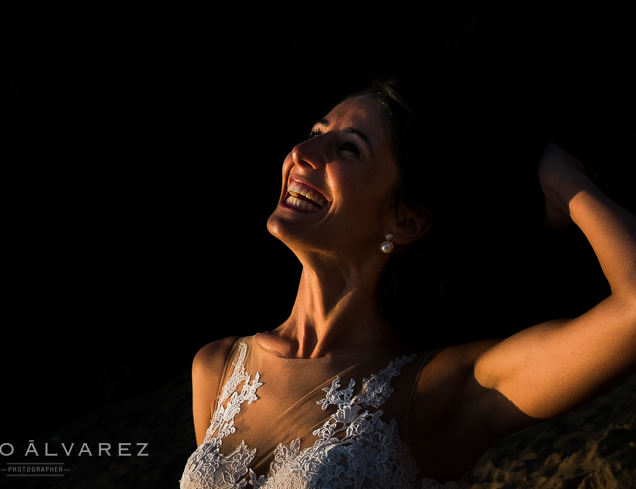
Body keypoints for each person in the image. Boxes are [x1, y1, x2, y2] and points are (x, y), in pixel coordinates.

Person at [180, 80, 636, 488]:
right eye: (317, 134)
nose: (303, 152)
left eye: (349, 149)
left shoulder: (441, 389)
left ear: (406, 222)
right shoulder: (217, 368)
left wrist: (565, 180)